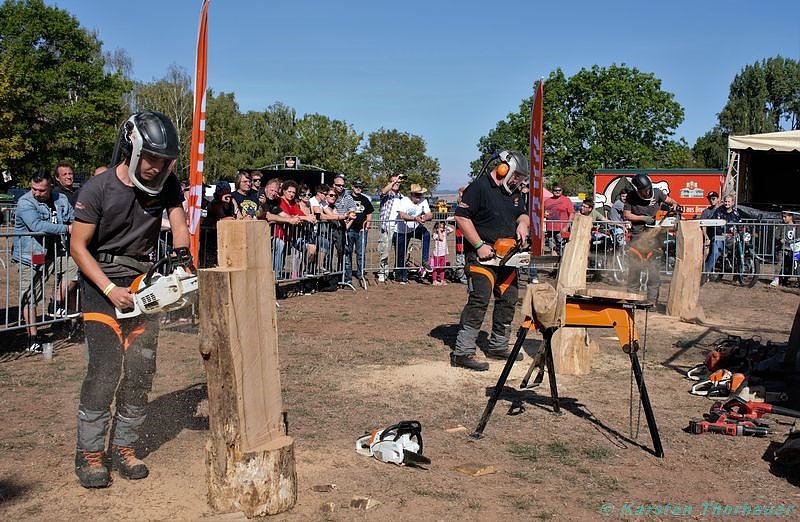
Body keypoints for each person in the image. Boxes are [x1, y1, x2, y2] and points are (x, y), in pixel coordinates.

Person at [69, 111, 190, 488]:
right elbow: (77, 246)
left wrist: (183, 263)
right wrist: (109, 289)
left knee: (141, 370)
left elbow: (180, 224)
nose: (158, 168)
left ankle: (124, 447)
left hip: (142, 282)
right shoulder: (98, 187)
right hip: (101, 284)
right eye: (152, 159)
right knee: (104, 370)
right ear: (132, 149)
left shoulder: (168, 184)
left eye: (166, 161)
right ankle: (89, 454)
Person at [452, 150, 530, 371]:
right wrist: (478, 245)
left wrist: (523, 224)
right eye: (516, 176)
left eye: (521, 178)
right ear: (503, 168)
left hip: (507, 258)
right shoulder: (478, 188)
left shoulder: (514, 192)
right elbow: (461, 216)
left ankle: (498, 345)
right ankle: (463, 351)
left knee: (509, 299)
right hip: (481, 257)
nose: (517, 181)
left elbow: (521, 213)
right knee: (480, 299)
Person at [11, 171, 74, 352]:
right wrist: (68, 228)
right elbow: (37, 226)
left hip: (57, 252)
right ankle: (33, 337)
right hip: (32, 255)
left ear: (51, 187)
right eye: (34, 189)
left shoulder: (61, 199)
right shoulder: (25, 202)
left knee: (76, 269)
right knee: (30, 297)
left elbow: (73, 217)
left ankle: (56, 301)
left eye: (41, 190)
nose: (36, 193)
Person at [622, 173, 677, 302]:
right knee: (635, 270)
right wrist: (642, 218)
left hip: (655, 238)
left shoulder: (657, 193)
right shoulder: (631, 197)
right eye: (644, 191)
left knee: (654, 271)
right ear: (637, 190)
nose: (647, 192)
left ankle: (652, 300)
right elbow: (626, 215)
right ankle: (632, 298)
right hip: (638, 238)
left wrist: (674, 205)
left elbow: (671, 201)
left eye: (648, 189)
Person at [394, 183, 433, 284]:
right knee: (401, 254)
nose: (418, 197)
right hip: (401, 230)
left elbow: (430, 214)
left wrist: (424, 218)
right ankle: (400, 275)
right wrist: (415, 218)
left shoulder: (423, 201)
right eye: (416, 195)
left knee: (426, 234)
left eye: (420, 194)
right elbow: (402, 215)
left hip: (415, 228)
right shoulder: (404, 201)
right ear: (411, 194)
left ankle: (425, 261)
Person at [345, 179, 374, 288]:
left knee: (361, 253)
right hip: (349, 230)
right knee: (347, 253)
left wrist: (367, 226)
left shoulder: (365, 199)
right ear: (352, 187)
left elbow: (370, 212)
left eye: (360, 187)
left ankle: (360, 274)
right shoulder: (347, 198)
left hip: (362, 230)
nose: (358, 188)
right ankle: (347, 277)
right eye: (356, 186)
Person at [704, 194, 741, 276]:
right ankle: (706, 273)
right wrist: (722, 233)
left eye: (729, 202)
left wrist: (743, 230)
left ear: (733, 203)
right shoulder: (718, 211)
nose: (727, 203)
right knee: (716, 252)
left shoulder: (736, 213)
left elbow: (740, 224)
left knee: (740, 249)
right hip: (719, 236)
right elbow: (715, 225)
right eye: (725, 201)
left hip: (732, 237)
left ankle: (737, 274)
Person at [377, 176, 404, 282]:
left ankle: (397, 272)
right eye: (394, 182)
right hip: (386, 226)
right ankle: (382, 272)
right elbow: (382, 192)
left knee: (400, 251)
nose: (397, 183)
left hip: (399, 227)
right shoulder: (387, 195)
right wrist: (394, 181)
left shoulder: (402, 197)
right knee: (385, 251)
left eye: (398, 182)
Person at [772, 210, 799, 286]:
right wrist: (780, 239)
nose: (784, 218)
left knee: (790, 264)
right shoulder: (781, 225)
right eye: (783, 217)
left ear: (791, 217)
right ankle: (776, 279)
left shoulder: (796, 226)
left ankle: (787, 279)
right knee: (780, 262)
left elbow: (797, 236)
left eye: (785, 217)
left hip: (793, 248)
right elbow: (776, 234)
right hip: (782, 247)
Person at [544, 183, 573, 254]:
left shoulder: (566, 200)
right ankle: (554, 264)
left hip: (562, 229)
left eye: (559, 190)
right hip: (550, 229)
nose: (557, 192)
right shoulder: (547, 201)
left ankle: (563, 264)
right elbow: (543, 213)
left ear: (562, 191)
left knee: (562, 249)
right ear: (552, 191)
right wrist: (544, 215)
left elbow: (572, 214)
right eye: (555, 190)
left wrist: (567, 226)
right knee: (552, 249)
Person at [700, 191, 721, 262]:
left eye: (713, 198)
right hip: (710, 236)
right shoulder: (706, 211)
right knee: (707, 248)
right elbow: (703, 225)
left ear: (718, 199)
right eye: (710, 199)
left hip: (722, 236)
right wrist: (706, 236)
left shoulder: (722, 210)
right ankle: (703, 268)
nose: (711, 201)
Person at [431, 221, 454, 285]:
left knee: (442, 267)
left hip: (443, 253)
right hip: (437, 254)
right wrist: (439, 231)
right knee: (436, 267)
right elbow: (441, 238)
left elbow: (451, 230)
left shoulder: (444, 232)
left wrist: (445, 227)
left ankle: (442, 280)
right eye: (440, 227)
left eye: (442, 227)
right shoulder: (435, 235)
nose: (442, 228)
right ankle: (434, 280)